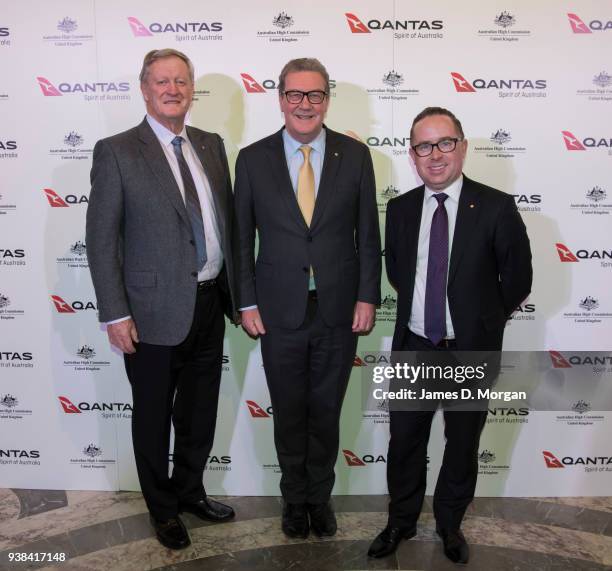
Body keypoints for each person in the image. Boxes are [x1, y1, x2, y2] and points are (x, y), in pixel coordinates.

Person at [86, 49, 236, 550]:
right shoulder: (117, 151)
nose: (173, 89)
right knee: (152, 416)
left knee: (200, 411)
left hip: (211, 301)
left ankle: (190, 491)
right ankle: (162, 508)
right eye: (162, 81)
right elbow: (102, 240)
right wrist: (115, 312)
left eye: (181, 80)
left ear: (192, 89)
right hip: (149, 313)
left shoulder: (212, 145)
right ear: (144, 88)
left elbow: (224, 225)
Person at [368, 107, 532, 563]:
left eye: (444, 143)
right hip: (416, 346)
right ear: (412, 154)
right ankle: (399, 521)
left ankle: (449, 524)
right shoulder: (400, 209)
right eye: (424, 146)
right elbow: (399, 272)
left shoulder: (496, 206)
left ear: (462, 146)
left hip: (469, 351)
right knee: (404, 444)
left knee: (461, 446)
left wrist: (480, 321)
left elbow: (518, 280)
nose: (435, 155)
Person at [234, 58, 381, 539]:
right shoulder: (252, 159)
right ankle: (293, 500)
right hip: (278, 312)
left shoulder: (355, 157)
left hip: (339, 310)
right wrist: (247, 302)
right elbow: (240, 241)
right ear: (280, 99)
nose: (304, 104)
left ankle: (320, 498)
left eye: (314, 95)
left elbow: (368, 233)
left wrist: (367, 296)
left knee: (326, 410)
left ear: (326, 100)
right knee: (290, 411)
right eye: (295, 95)